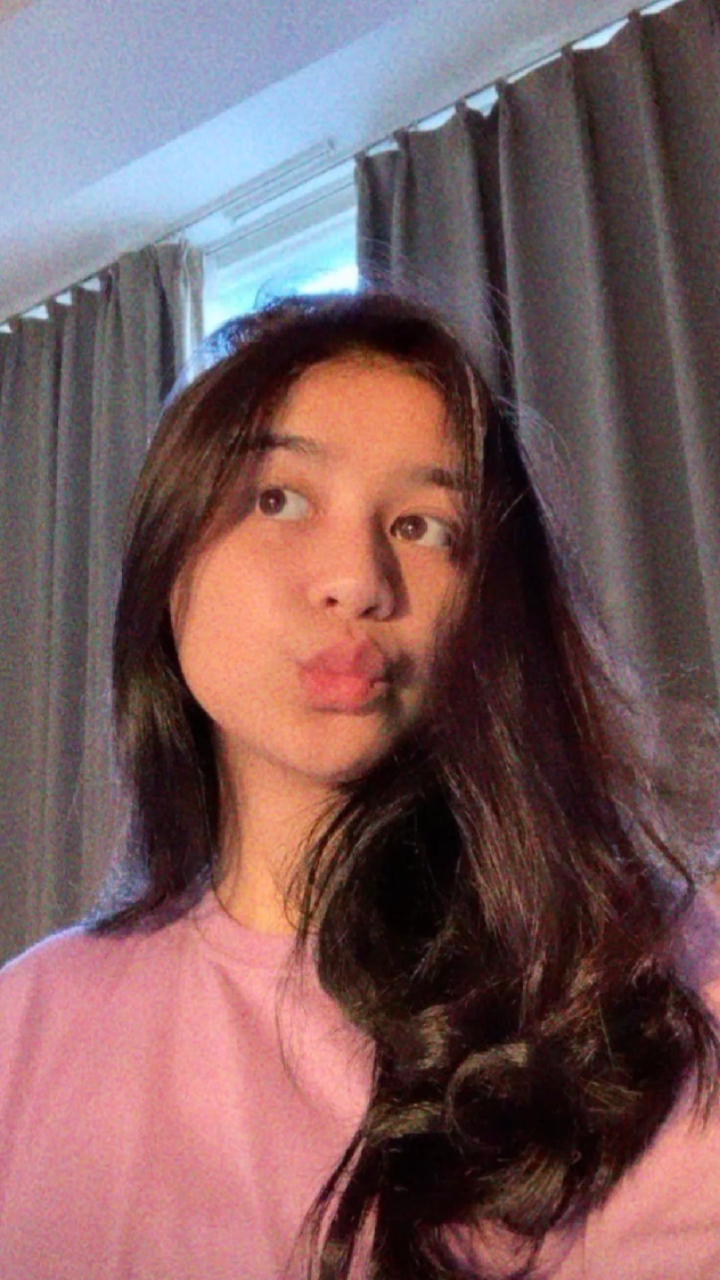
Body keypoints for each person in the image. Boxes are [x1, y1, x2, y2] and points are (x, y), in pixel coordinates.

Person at [1, 290, 719, 1280]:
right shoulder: (27, 1025)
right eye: (279, 499)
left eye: (424, 525)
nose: (360, 579)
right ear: (168, 559)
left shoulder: (647, 981)